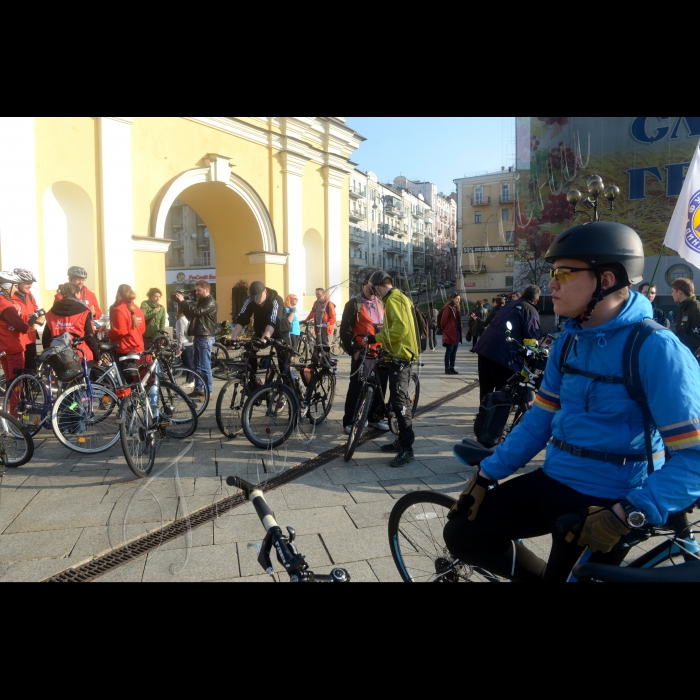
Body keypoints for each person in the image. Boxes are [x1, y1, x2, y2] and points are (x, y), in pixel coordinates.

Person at [443, 221, 700, 582]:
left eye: (563, 272)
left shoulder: (655, 348)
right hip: (556, 477)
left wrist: (630, 512)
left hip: (612, 498)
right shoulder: (568, 340)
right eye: (552, 273)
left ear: (606, 279)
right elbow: (539, 420)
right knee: (461, 534)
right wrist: (486, 475)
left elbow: (694, 457)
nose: (552, 283)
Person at [365, 271, 420, 468]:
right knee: (393, 398)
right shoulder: (397, 297)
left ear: (378, 287)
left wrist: (376, 338)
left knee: (399, 402)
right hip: (395, 352)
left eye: (374, 290)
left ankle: (407, 448)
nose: (375, 294)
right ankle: (399, 441)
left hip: (401, 356)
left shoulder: (394, 299)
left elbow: (400, 330)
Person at [474, 285, 541, 402]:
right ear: (536, 300)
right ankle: (496, 418)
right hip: (504, 353)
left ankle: (483, 417)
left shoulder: (509, 305)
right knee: (504, 390)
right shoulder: (530, 310)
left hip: (485, 347)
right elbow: (531, 338)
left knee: (486, 389)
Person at [339, 278, 389, 435]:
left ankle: (375, 418)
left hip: (380, 352)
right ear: (363, 286)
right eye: (372, 286)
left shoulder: (380, 302)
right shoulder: (354, 304)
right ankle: (350, 421)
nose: (374, 290)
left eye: (377, 286)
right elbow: (345, 330)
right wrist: (353, 350)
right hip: (362, 352)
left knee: (380, 386)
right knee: (357, 386)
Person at [231, 281, 292, 375]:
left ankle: (288, 386)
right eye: (254, 298)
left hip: (280, 333)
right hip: (261, 331)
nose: (256, 301)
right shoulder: (250, 301)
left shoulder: (276, 300)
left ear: (265, 291)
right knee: (250, 351)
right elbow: (242, 318)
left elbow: (273, 321)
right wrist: (233, 338)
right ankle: (253, 383)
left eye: (258, 297)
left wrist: (263, 340)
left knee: (284, 365)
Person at [176, 281, 219, 401]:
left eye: (199, 290)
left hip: (205, 337)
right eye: (196, 290)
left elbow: (197, 312)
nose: (196, 292)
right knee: (196, 366)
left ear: (206, 290)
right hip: (199, 336)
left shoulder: (210, 301)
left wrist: (184, 302)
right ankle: (198, 389)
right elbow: (193, 317)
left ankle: (209, 392)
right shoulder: (202, 301)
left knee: (205, 367)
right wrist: (183, 306)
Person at [43, 283, 100, 366]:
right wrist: (97, 356)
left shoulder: (51, 312)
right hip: (81, 355)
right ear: (76, 294)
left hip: (60, 357)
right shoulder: (84, 312)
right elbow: (90, 336)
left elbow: (46, 338)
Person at [0, 271, 32, 397]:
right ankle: (14, 415)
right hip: (13, 348)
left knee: (10, 383)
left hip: (4, 348)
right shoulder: (6, 305)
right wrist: (29, 322)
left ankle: (9, 412)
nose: (16, 289)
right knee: (16, 386)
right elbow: (22, 327)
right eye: (15, 286)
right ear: (8, 287)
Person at [13, 268, 44, 371]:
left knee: (32, 370)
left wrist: (39, 315)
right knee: (19, 372)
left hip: (31, 338)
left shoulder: (29, 295)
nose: (30, 285)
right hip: (18, 340)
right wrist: (30, 317)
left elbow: (35, 307)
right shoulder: (10, 297)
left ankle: (31, 386)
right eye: (27, 283)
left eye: (31, 283)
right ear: (17, 282)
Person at [109, 285, 146, 358]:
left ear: (118, 295)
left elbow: (120, 331)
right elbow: (142, 330)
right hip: (138, 348)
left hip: (125, 349)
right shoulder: (139, 310)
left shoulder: (119, 310)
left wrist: (109, 333)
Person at [670, 278, 700, 363]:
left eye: (673, 291)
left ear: (680, 292)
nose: (672, 294)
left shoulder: (695, 309)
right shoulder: (684, 307)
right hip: (685, 356)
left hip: (694, 359)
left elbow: (697, 339)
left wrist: (675, 339)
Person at [441, 293, 463, 375]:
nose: (458, 300)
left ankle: (452, 367)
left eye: (459, 299)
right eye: (457, 298)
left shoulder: (457, 308)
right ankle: (447, 368)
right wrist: (446, 330)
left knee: (454, 351)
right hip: (450, 333)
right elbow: (443, 321)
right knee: (449, 351)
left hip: (457, 332)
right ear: (452, 298)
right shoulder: (448, 308)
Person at [174, 309, 194, 373]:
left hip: (184, 344)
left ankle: (190, 381)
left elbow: (181, 334)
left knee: (188, 366)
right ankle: (189, 381)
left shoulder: (181, 320)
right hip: (190, 344)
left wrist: (179, 347)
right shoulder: (186, 319)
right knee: (189, 365)